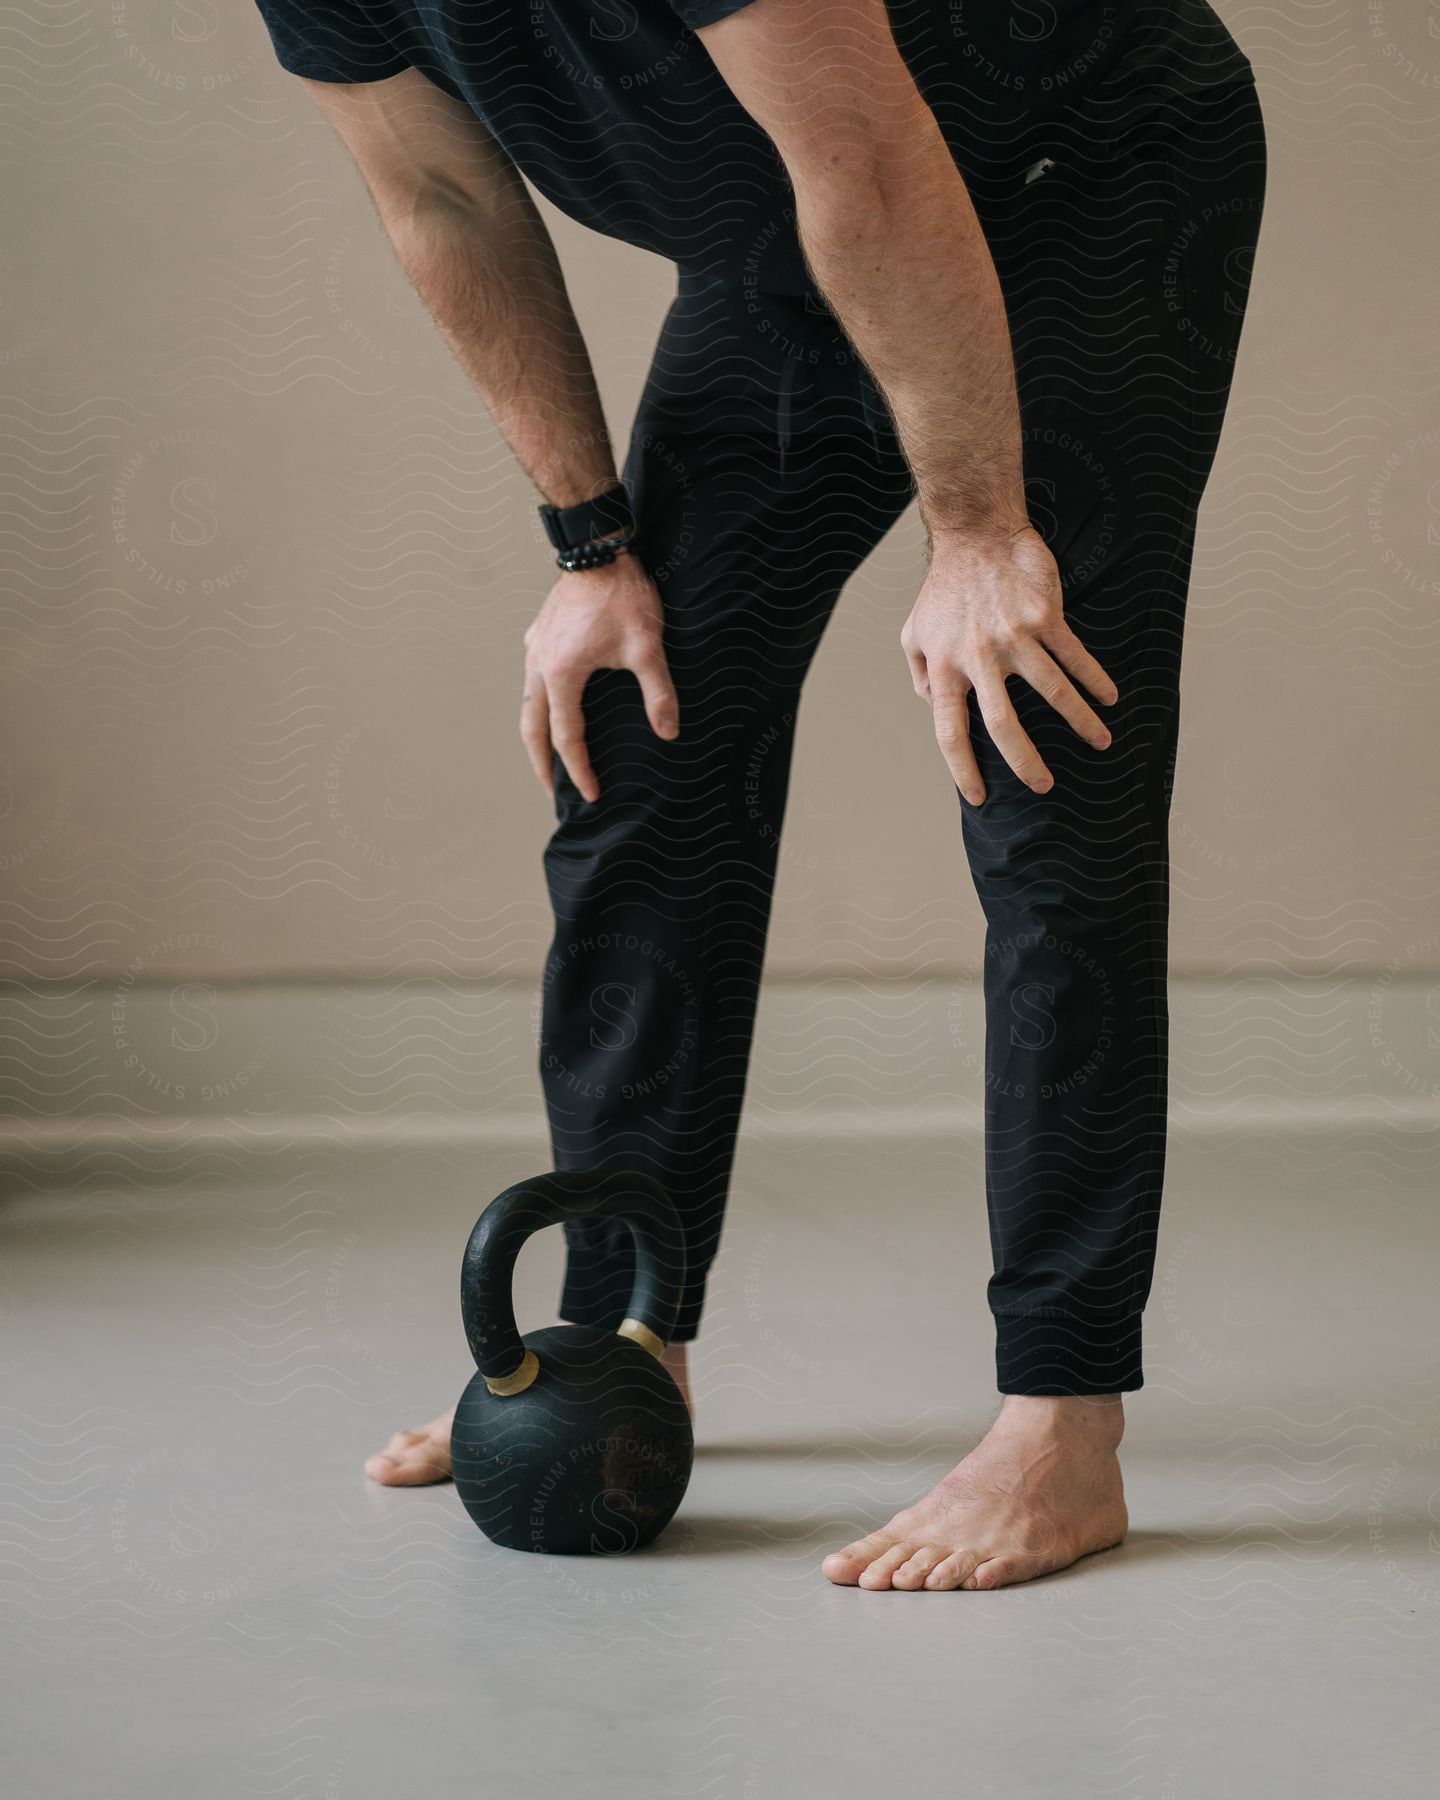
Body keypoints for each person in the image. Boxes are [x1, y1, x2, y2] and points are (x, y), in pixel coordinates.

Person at [252, 0, 1265, 1591]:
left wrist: (982, 528)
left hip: (1085, 179)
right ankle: (622, 1338)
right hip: (802, 229)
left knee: (1039, 755)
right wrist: (591, 549)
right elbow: (438, 197)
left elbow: (866, 150)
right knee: (640, 741)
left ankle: (1062, 1429)